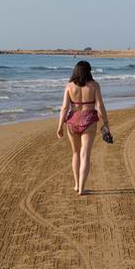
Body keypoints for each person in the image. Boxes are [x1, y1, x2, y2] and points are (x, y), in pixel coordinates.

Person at [57, 61, 110, 196]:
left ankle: (76, 184)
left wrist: (60, 126)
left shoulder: (69, 86)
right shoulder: (94, 86)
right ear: (89, 71)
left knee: (75, 153)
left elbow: (64, 108)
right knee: (85, 154)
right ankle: (81, 188)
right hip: (89, 120)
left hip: (72, 121)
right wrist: (106, 122)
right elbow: (100, 105)